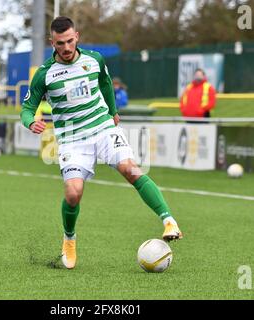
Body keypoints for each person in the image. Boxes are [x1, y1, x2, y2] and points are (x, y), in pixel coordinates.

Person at [21, 16, 183, 269]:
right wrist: (30, 121)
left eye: (70, 41)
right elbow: (28, 108)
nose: (65, 47)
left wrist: (113, 110)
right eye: (60, 43)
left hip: (102, 128)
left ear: (78, 37)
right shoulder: (45, 74)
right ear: (51, 42)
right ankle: (69, 239)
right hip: (72, 139)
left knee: (131, 169)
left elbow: (105, 83)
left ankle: (169, 220)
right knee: (73, 194)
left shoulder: (94, 59)